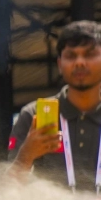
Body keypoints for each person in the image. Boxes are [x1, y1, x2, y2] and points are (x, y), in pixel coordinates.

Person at [10, 21, 101, 189]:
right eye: (71, 56)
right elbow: (7, 190)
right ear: (60, 65)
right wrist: (26, 155)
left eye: (89, 54)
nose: (80, 62)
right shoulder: (33, 115)